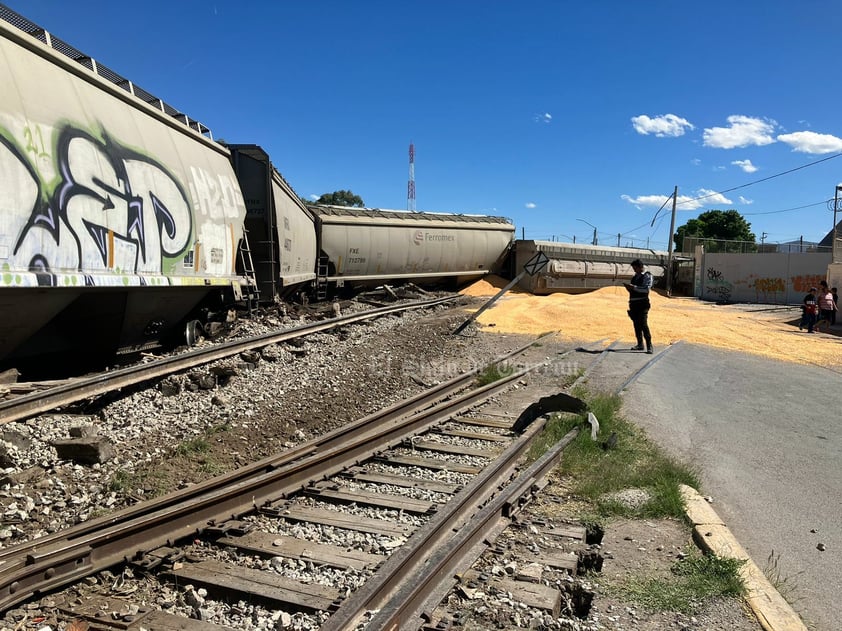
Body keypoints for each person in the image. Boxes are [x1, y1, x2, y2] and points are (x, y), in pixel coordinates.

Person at [623, 259, 653, 353]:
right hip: (634, 304)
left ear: (640, 267)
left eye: (635, 268)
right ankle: (640, 344)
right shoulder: (635, 277)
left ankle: (649, 345)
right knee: (636, 325)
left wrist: (634, 288)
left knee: (643, 324)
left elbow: (646, 289)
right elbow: (634, 291)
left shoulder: (647, 276)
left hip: (642, 304)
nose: (634, 270)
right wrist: (629, 288)